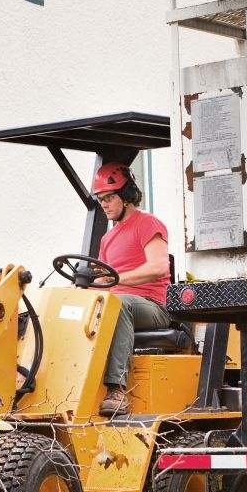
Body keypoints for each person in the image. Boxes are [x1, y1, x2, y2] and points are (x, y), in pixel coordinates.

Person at [91, 161, 171, 417]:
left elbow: (159, 267)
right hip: (120, 302)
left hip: (154, 306)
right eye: (101, 199)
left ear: (126, 197)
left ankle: (117, 389)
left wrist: (117, 280)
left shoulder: (148, 224)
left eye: (109, 197)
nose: (104, 204)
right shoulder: (107, 238)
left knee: (118, 304)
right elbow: (105, 280)